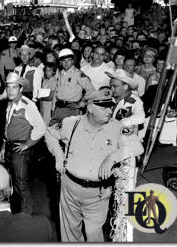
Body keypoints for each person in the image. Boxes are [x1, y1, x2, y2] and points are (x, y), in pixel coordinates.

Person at [44, 88, 144, 242]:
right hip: (69, 188)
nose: (110, 110)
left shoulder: (117, 127)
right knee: (69, 232)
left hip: (98, 194)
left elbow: (138, 147)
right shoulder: (71, 123)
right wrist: (58, 155)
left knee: (94, 235)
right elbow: (50, 133)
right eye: (104, 106)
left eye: (111, 106)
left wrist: (112, 157)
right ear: (90, 107)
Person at [0, 73, 46, 214]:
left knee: (21, 185)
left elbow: (41, 127)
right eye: (8, 87)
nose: (11, 90)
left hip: (21, 150)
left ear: (20, 89)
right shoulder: (10, 103)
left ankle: (26, 220)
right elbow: (7, 128)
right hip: (9, 147)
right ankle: (14, 214)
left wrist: (27, 144)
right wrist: (3, 147)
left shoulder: (28, 105)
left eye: (14, 87)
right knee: (10, 183)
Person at [49, 48, 95, 126]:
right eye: (64, 61)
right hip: (58, 108)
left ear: (73, 61)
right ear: (60, 62)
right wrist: (53, 107)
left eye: (69, 60)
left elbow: (91, 91)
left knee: (68, 134)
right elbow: (56, 92)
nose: (66, 63)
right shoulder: (60, 74)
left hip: (71, 109)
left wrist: (81, 104)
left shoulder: (78, 74)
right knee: (52, 132)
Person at [106, 69, 145, 134]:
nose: (111, 89)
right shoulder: (109, 98)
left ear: (125, 87)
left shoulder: (135, 100)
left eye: (115, 86)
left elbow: (140, 117)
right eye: (111, 86)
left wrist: (121, 123)